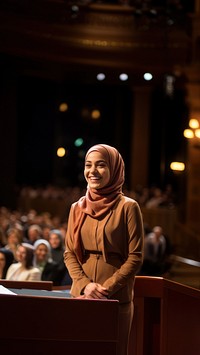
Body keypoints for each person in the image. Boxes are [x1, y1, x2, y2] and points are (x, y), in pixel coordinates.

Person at [64, 143, 144, 355]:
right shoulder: (76, 207)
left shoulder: (128, 207)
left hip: (115, 297)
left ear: (115, 168)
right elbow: (69, 253)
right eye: (88, 165)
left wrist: (105, 289)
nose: (92, 171)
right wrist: (85, 286)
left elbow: (135, 257)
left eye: (101, 165)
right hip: (81, 296)